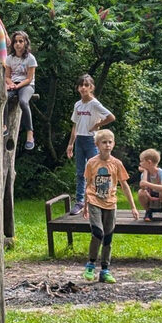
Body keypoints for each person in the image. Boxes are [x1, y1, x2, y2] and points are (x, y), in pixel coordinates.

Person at [81, 129, 138, 284]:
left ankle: (105, 269)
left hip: (110, 203)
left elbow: (124, 185)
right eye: (104, 142)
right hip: (94, 201)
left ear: (113, 144)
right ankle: (91, 264)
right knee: (97, 233)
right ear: (97, 144)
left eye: (109, 142)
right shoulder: (91, 163)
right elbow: (88, 184)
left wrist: (133, 206)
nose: (107, 145)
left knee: (108, 236)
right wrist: (85, 205)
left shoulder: (116, 163)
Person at [66, 74, 115, 216]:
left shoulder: (94, 104)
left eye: (86, 85)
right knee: (80, 172)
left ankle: (100, 200)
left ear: (91, 87)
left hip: (91, 141)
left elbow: (111, 117)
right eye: (81, 85)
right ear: (78, 88)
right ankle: (80, 202)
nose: (83, 88)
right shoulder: (78, 104)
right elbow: (75, 125)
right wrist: (71, 144)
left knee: (97, 170)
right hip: (80, 140)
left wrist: (97, 125)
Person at [5, 30, 38, 150]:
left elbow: (29, 79)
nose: (18, 44)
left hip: (26, 85)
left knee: (23, 102)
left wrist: (17, 86)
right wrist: (11, 84)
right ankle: (4, 126)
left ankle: (30, 133)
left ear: (25, 43)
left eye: (20, 41)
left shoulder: (30, 58)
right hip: (13, 84)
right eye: (15, 42)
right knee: (3, 98)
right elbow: (7, 76)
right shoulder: (9, 58)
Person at [138, 149, 162, 222]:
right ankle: (148, 212)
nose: (140, 164)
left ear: (149, 162)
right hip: (150, 199)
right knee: (141, 192)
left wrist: (147, 183)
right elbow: (142, 186)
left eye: (142, 161)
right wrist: (145, 171)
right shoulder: (144, 174)